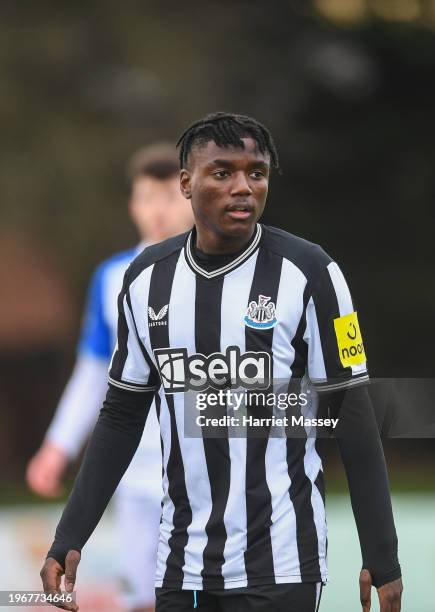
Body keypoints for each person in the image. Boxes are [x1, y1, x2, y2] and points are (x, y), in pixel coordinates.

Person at [40, 113, 403, 612]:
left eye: (256, 173)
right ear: (186, 183)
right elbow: (122, 415)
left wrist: (383, 556)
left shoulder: (313, 273)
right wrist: (69, 537)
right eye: (223, 172)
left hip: (282, 562)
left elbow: (354, 415)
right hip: (180, 564)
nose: (243, 188)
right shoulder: (144, 281)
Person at [28, 142, 193, 612]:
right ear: (133, 205)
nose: (158, 210)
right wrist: (58, 445)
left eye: (169, 196)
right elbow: (94, 370)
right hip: (134, 467)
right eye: (147, 197)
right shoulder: (112, 278)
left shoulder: (224, 272)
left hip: (208, 469)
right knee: (142, 597)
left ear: (190, 197)